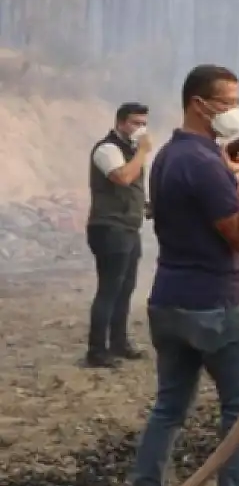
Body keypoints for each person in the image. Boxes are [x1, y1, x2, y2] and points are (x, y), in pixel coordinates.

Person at [129, 65, 239, 486]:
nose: (235, 112)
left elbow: (201, 204)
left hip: (168, 302)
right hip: (216, 306)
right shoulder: (203, 164)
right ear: (199, 104)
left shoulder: (169, 156)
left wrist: (228, 170)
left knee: (169, 409)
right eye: (228, 103)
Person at [86, 101, 152, 368]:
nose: (141, 129)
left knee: (125, 288)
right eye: (136, 123)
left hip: (128, 227)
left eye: (144, 124)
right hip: (109, 227)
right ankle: (97, 351)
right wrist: (143, 152)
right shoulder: (107, 149)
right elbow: (122, 178)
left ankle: (119, 342)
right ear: (120, 123)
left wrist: (146, 207)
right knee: (109, 289)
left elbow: (132, 189)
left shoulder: (131, 152)